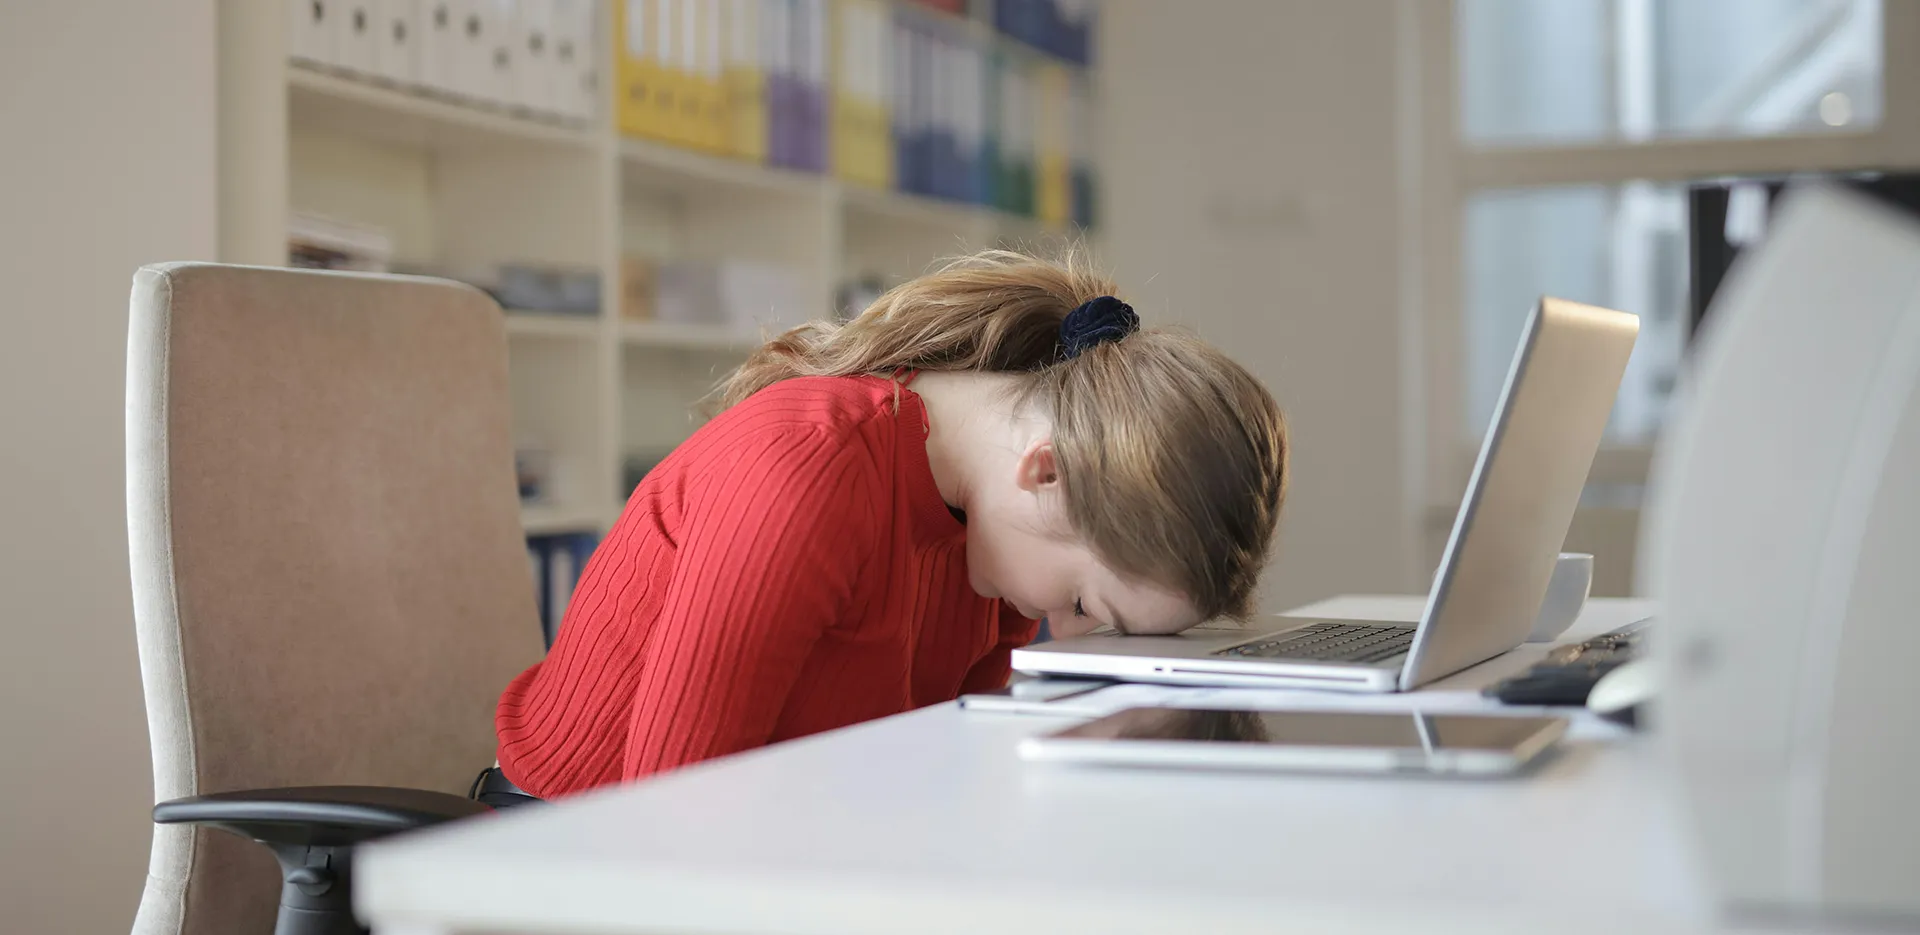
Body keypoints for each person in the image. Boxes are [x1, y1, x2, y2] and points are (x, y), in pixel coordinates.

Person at [480, 249, 1289, 801]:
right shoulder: (806, 468)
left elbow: (944, 779)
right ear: (1046, 472)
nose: (1069, 639)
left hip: (787, 842)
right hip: (569, 858)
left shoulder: (996, 534)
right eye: (1086, 605)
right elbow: (673, 822)